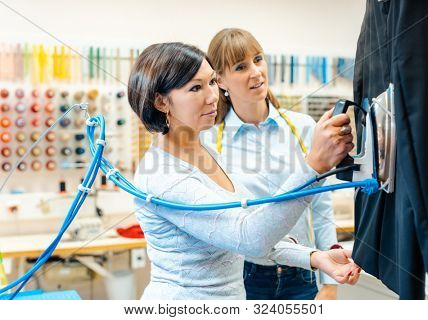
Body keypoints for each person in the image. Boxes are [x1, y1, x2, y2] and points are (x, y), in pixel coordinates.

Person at [128, 42, 360, 300]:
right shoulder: (163, 176)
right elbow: (250, 238)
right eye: (195, 88)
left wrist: (315, 257)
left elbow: (249, 226)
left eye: (212, 82)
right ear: (161, 102)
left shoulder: (207, 153)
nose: (212, 96)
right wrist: (314, 165)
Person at [205, 28, 349, 300]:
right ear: (220, 80)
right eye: (240, 66)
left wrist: (330, 283)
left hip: (304, 272)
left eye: (258, 59)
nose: (256, 72)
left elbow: (320, 207)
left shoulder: (303, 128)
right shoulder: (210, 141)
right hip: (244, 276)